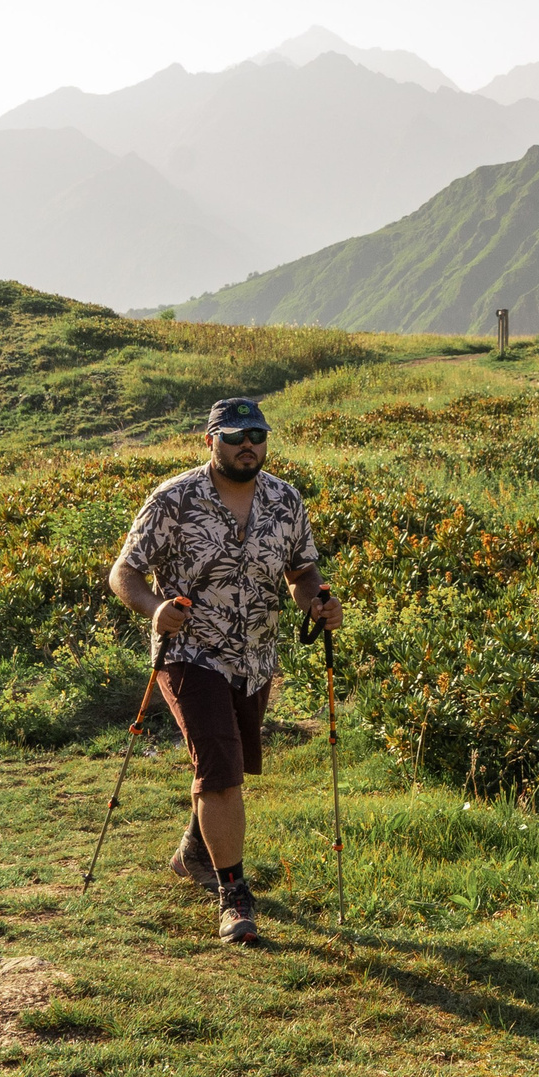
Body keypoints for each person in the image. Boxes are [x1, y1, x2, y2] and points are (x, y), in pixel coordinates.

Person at [110, 397, 341, 944]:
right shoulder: (174, 498)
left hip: (256, 658)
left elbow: (302, 570)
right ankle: (233, 896)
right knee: (221, 767)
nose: (248, 445)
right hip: (190, 652)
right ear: (209, 440)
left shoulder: (285, 501)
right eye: (235, 435)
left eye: (256, 434)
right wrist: (155, 609)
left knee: (230, 762)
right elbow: (126, 572)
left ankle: (193, 854)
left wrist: (317, 603)